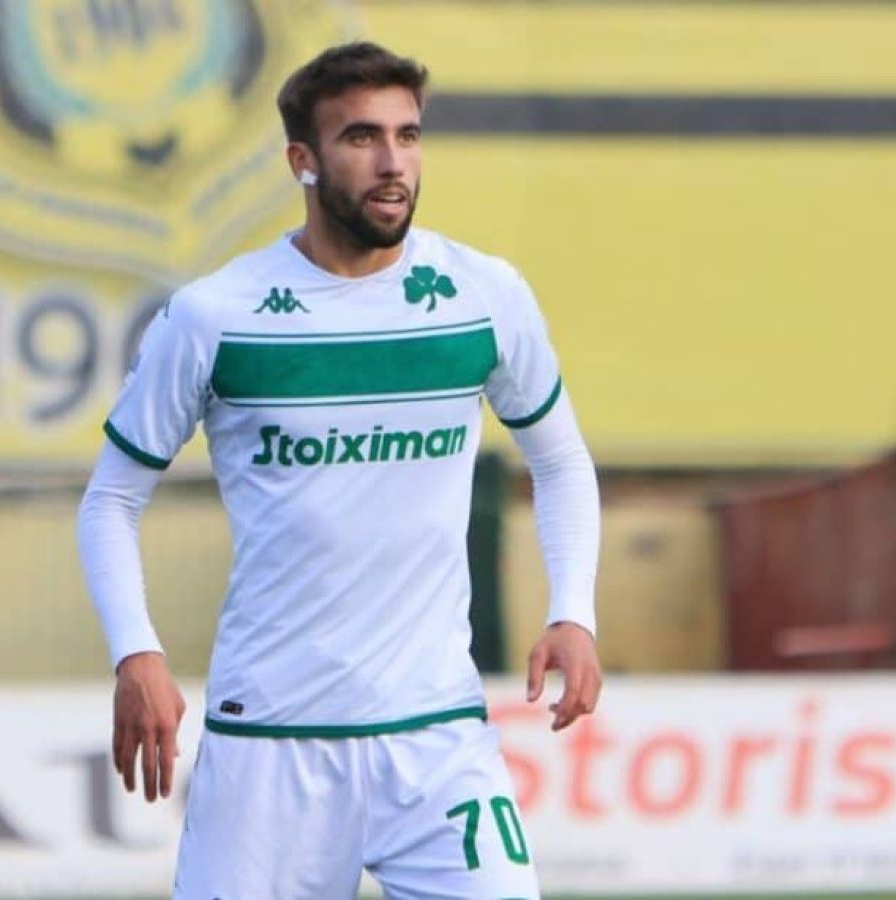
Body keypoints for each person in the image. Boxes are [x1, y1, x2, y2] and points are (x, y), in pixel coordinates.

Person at [77, 41, 601, 900]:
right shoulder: (216, 316)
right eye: (362, 137)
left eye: (408, 135)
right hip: (269, 746)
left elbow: (560, 458)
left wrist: (573, 610)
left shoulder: (483, 295)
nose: (393, 162)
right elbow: (110, 499)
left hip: (437, 737)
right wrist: (137, 654)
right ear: (303, 161)